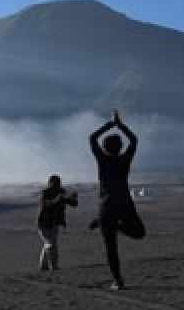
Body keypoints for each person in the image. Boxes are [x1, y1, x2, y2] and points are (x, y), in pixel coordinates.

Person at [88, 110, 146, 290]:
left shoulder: (103, 160)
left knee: (111, 247)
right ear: (120, 147)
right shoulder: (124, 160)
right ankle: (113, 225)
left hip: (106, 206)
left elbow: (92, 138)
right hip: (124, 203)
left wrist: (110, 123)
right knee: (139, 232)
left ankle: (118, 281)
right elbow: (134, 140)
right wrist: (120, 125)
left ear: (105, 148)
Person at [37, 175, 78, 271]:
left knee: (48, 244)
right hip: (44, 224)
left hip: (54, 223)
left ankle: (43, 266)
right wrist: (57, 199)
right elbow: (46, 204)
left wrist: (72, 199)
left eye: (58, 183)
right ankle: (53, 266)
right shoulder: (45, 193)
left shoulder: (61, 192)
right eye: (54, 183)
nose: (56, 185)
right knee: (50, 244)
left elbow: (72, 203)